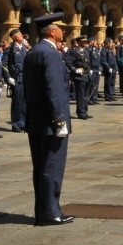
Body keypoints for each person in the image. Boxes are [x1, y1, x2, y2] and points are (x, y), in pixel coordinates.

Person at [23, 12, 74, 226]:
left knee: (41, 167)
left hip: (35, 120)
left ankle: (42, 211)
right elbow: (54, 89)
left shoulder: (34, 52)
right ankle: (51, 213)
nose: (64, 30)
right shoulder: (51, 54)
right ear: (52, 31)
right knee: (52, 167)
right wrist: (60, 119)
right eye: (61, 27)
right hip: (51, 122)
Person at [5, 28, 28, 131]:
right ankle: (16, 124)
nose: (21, 34)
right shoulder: (10, 49)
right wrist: (8, 77)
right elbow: (4, 64)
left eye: (20, 33)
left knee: (24, 101)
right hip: (16, 77)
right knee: (17, 101)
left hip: (25, 77)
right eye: (18, 34)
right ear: (13, 37)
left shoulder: (23, 48)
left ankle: (23, 122)